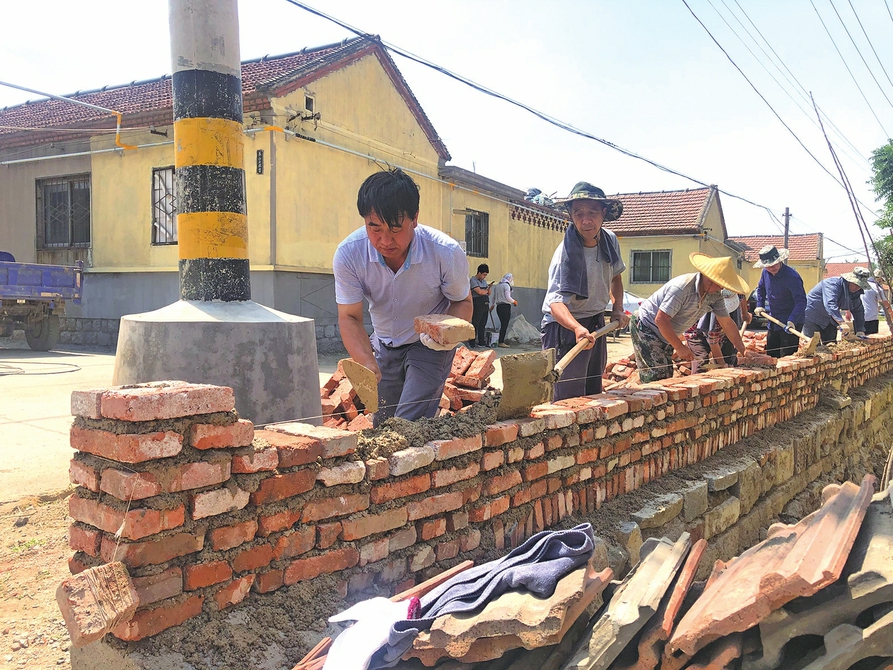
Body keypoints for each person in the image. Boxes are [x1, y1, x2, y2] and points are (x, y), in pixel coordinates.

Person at [333, 168, 472, 425]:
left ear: (415, 218)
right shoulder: (349, 254)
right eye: (374, 228)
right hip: (384, 344)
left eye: (396, 228)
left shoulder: (444, 252)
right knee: (384, 424)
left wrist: (444, 334)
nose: (385, 240)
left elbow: (462, 302)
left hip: (429, 346)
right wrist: (366, 361)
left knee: (408, 424)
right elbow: (350, 317)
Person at [541, 182, 629, 399]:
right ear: (571, 216)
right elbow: (555, 304)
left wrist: (617, 309)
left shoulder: (609, 240)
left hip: (595, 322)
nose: (586, 220)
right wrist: (577, 328)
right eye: (578, 213)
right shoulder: (566, 254)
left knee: (592, 393)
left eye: (592, 213)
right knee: (567, 397)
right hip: (564, 328)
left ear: (604, 213)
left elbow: (616, 277)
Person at [631, 253, 750, 383]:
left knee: (666, 376)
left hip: (665, 332)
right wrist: (679, 347)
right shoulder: (682, 288)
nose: (721, 288)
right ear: (709, 278)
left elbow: (727, 323)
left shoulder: (715, 295)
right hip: (646, 327)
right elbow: (661, 319)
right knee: (656, 377)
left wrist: (742, 349)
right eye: (720, 284)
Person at [752, 245, 807, 358]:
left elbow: (801, 301)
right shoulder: (765, 273)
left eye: (774, 264)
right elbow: (761, 289)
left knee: (787, 357)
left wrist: (792, 320)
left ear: (780, 260)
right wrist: (760, 305)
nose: (772, 267)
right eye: (768, 266)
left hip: (791, 321)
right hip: (774, 319)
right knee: (771, 354)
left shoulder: (792, 276)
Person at [686, 289, 751, 373]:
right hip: (696, 334)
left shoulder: (734, 292)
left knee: (730, 358)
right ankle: (696, 382)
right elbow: (713, 343)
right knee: (701, 360)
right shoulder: (715, 317)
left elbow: (742, 296)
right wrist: (722, 365)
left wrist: (744, 313)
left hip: (720, 334)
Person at [802, 268, 869, 344]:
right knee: (813, 347)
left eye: (860, 286)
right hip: (813, 317)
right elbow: (830, 304)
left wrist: (860, 330)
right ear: (849, 280)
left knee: (831, 345)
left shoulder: (855, 292)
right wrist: (842, 323)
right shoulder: (832, 284)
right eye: (856, 284)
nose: (857, 288)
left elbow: (858, 310)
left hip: (830, 320)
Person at [861, 268, 892, 335]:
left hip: (857, 318)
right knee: (872, 340)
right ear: (879, 279)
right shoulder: (877, 288)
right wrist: (892, 315)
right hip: (871, 318)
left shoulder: (861, 285)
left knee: (860, 341)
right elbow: (886, 304)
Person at [491, 273, 517, 348]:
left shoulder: (498, 285)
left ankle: (499, 340)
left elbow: (494, 297)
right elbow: (508, 297)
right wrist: (514, 301)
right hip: (505, 306)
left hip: (498, 307)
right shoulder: (506, 286)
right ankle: (501, 341)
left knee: (502, 324)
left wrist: (492, 305)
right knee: (504, 325)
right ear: (509, 278)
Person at [468, 264, 491, 348]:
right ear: (479, 273)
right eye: (484, 274)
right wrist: (485, 290)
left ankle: (481, 341)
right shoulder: (473, 280)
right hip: (477, 303)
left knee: (483, 323)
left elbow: (488, 293)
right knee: (476, 323)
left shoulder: (484, 281)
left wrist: (488, 289)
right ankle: (472, 342)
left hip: (485, 303)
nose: (484, 277)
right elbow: (479, 292)